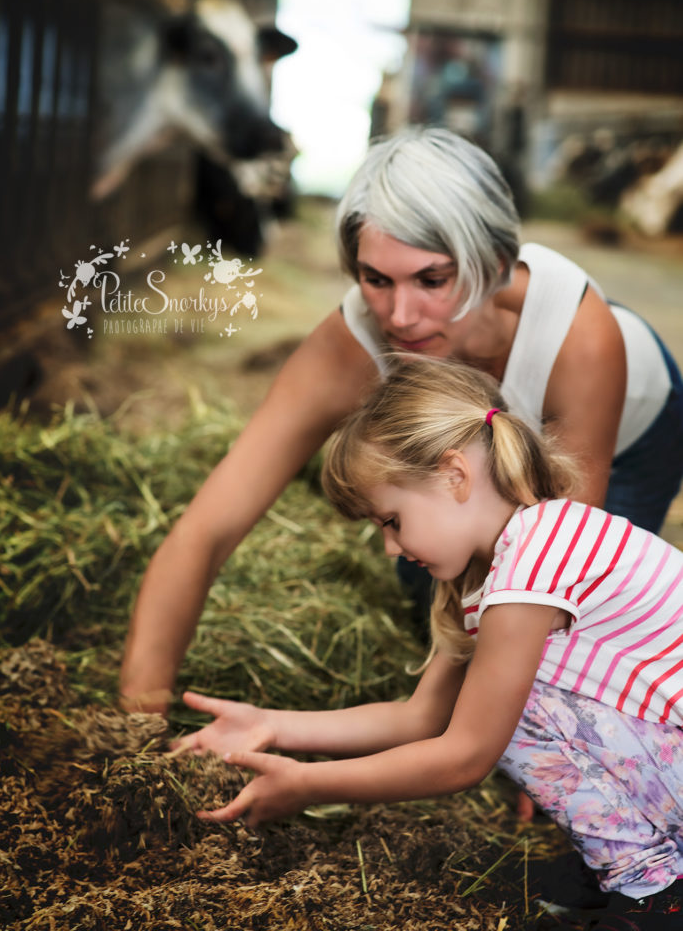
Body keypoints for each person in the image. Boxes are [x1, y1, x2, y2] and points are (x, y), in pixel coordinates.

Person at [119, 126, 683, 712]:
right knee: (441, 598)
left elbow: (561, 559)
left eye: (432, 279)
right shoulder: (354, 342)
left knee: (579, 639)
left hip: (633, 434)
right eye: (376, 279)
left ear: (493, 264)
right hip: (474, 458)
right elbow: (207, 530)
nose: (401, 316)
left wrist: (497, 725)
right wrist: (140, 710)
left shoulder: (578, 339)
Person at [173, 358, 683, 931]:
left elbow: (464, 756)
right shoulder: (504, 567)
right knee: (489, 698)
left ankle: (656, 888)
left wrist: (306, 784)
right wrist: (270, 725)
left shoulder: (539, 557)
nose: (390, 549)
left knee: (498, 709)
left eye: (391, 520)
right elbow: (420, 717)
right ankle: (637, 868)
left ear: (454, 475)